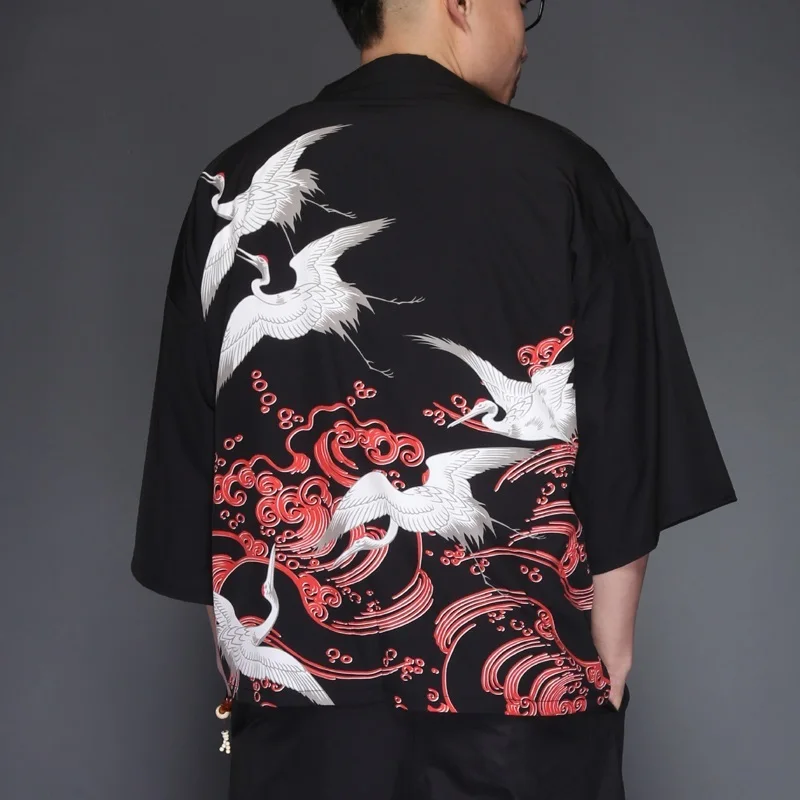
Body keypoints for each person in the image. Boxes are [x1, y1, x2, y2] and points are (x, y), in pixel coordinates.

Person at [131, 1, 738, 798]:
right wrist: (610, 655)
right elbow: (625, 437)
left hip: (302, 726)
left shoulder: (233, 180)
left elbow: (199, 469)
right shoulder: (564, 175)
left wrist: (253, 671)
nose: (524, 37)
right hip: (524, 718)